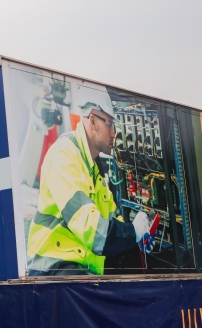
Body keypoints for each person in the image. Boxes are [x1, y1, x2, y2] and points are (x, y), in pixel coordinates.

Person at [27, 88, 152, 276]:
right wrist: (131, 232)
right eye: (109, 124)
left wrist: (137, 238)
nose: (113, 134)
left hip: (80, 258)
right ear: (93, 121)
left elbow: (109, 218)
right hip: (53, 262)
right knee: (86, 293)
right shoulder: (64, 155)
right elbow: (91, 229)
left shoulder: (91, 165)